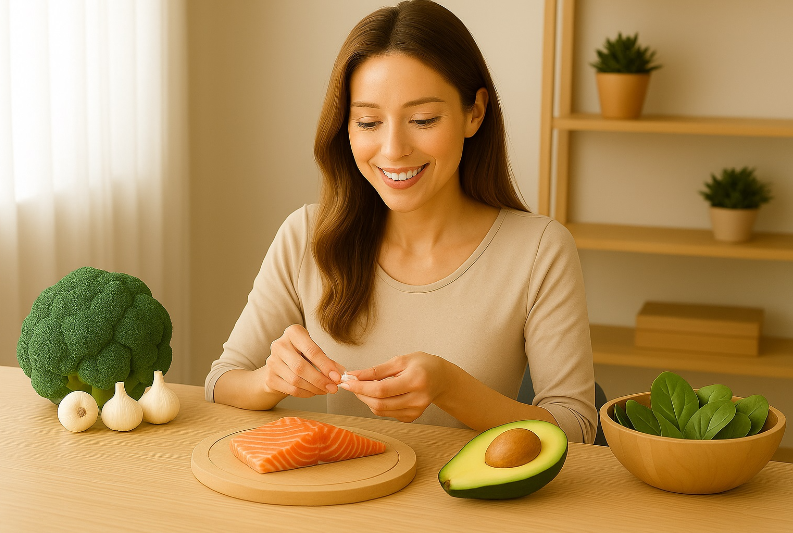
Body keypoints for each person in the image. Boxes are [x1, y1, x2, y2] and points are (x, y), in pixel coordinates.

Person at [205, 0, 597, 444]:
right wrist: (270, 380)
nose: (393, 149)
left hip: (479, 504)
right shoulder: (306, 236)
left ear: (475, 113)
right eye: (369, 121)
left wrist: (451, 389)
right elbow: (221, 382)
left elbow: (577, 430)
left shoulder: (539, 249)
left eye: (422, 120)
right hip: (345, 499)